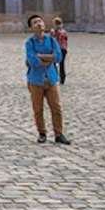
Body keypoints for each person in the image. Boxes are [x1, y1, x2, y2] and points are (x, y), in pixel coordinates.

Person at [25, 14, 71, 145]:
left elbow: (58, 57)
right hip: (35, 80)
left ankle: (59, 133)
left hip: (51, 79)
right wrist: (48, 58)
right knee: (38, 109)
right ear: (31, 27)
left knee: (56, 107)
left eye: (40, 21)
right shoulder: (29, 43)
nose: (39, 24)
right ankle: (42, 133)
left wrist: (42, 57)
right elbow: (32, 60)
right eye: (35, 22)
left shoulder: (51, 41)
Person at [51, 17, 69, 85]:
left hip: (57, 50)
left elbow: (52, 40)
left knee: (53, 64)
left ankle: (55, 78)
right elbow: (66, 40)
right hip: (64, 49)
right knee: (62, 65)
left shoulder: (54, 31)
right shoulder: (64, 31)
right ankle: (62, 79)